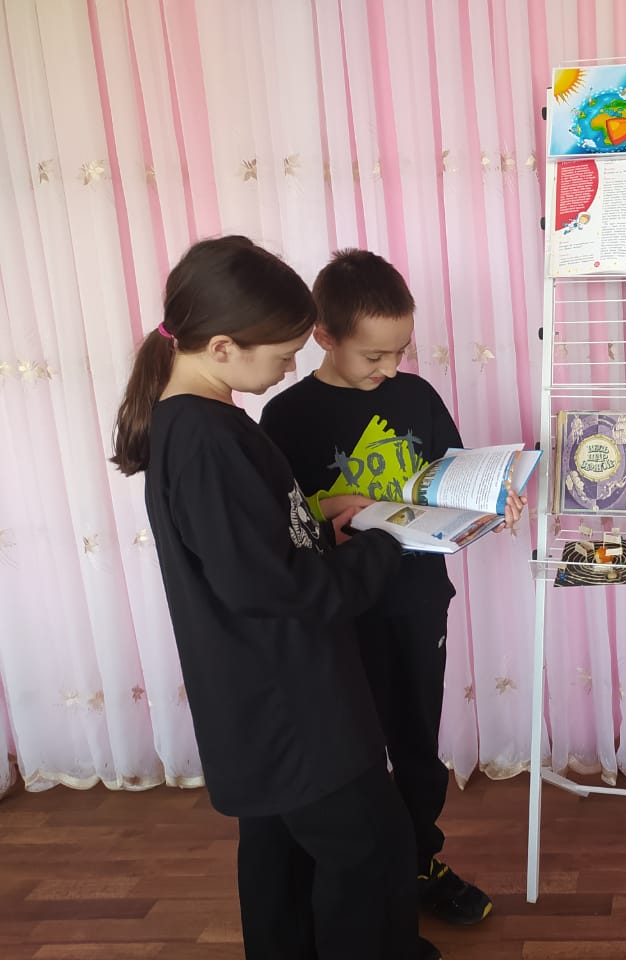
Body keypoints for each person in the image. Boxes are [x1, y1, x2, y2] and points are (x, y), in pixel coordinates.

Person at [111, 236, 433, 959]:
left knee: (280, 853)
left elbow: (242, 545)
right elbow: (276, 588)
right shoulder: (207, 439)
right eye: (284, 355)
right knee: (371, 852)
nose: (291, 367)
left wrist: (317, 519)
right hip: (291, 701)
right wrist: (388, 540)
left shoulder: (201, 421)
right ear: (223, 347)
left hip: (259, 695)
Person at [260, 249, 524, 931]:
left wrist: (493, 498)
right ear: (323, 335)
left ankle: (418, 862)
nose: (389, 368)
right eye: (372, 355)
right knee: (346, 755)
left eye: (400, 351)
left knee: (415, 743)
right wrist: (328, 511)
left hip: (415, 600)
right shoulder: (286, 416)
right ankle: (357, 877)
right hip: (335, 613)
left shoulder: (417, 397)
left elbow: (450, 479)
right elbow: (273, 523)